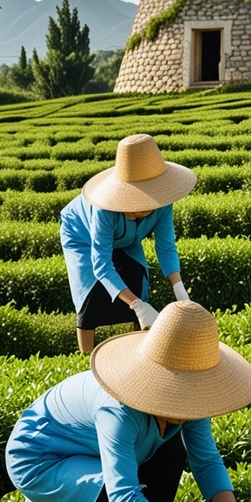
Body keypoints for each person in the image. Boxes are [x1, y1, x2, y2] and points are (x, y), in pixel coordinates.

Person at [6, 300, 251, 502]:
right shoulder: (118, 411)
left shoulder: (190, 403)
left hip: (88, 450)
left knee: (172, 448)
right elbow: (123, 495)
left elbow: (207, 461)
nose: (189, 404)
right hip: (40, 456)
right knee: (103, 500)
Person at [60, 133, 197, 354]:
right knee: (91, 293)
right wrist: (136, 305)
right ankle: (85, 357)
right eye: (140, 200)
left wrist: (179, 288)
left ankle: (138, 350)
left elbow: (166, 246)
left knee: (136, 277)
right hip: (82, 236)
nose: (148, 205)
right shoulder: (104, 209)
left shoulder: (162, 203)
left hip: (127, 237)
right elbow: (102, 265)